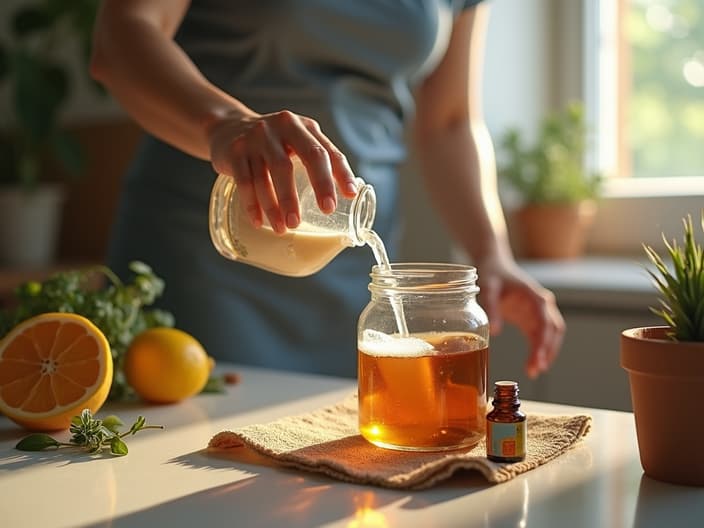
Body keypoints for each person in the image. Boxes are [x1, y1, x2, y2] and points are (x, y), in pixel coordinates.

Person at [90, 0, 565, 379]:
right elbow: (122, 34)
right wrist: (225, 125)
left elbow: (451, 121)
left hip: (353, 267)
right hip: (214, 252)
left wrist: (492, 250)